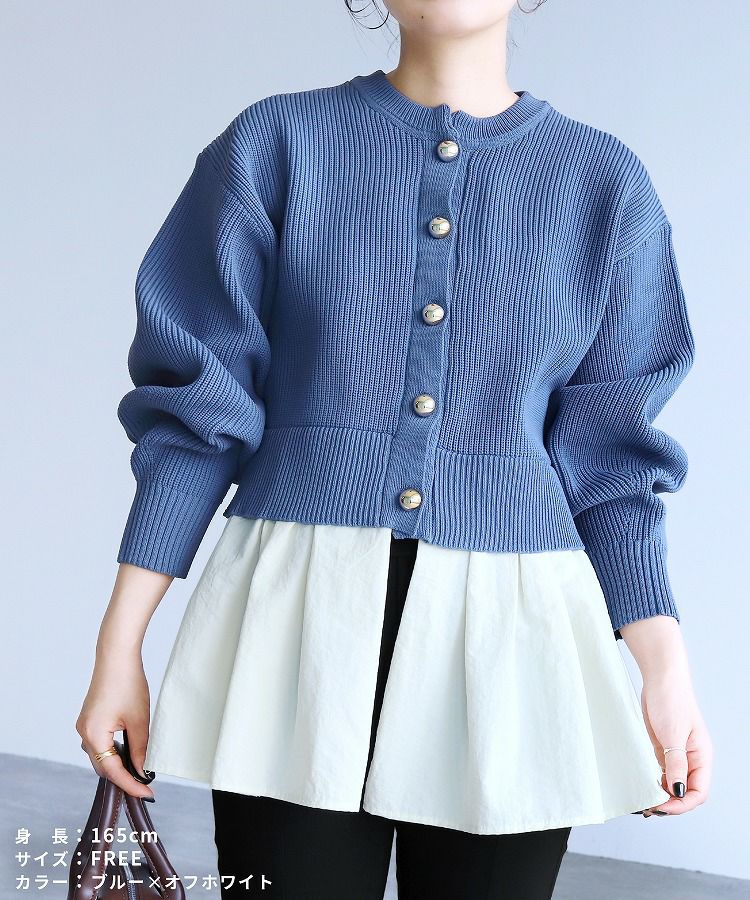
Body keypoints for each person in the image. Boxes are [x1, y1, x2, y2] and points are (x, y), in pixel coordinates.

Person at [76, 1, 714, 897]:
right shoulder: (276, 145)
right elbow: (196, 415)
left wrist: (665, 673)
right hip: (292, 623)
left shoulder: (603, 184)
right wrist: (119, 646)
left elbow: (613, 462)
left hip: (515, 637)